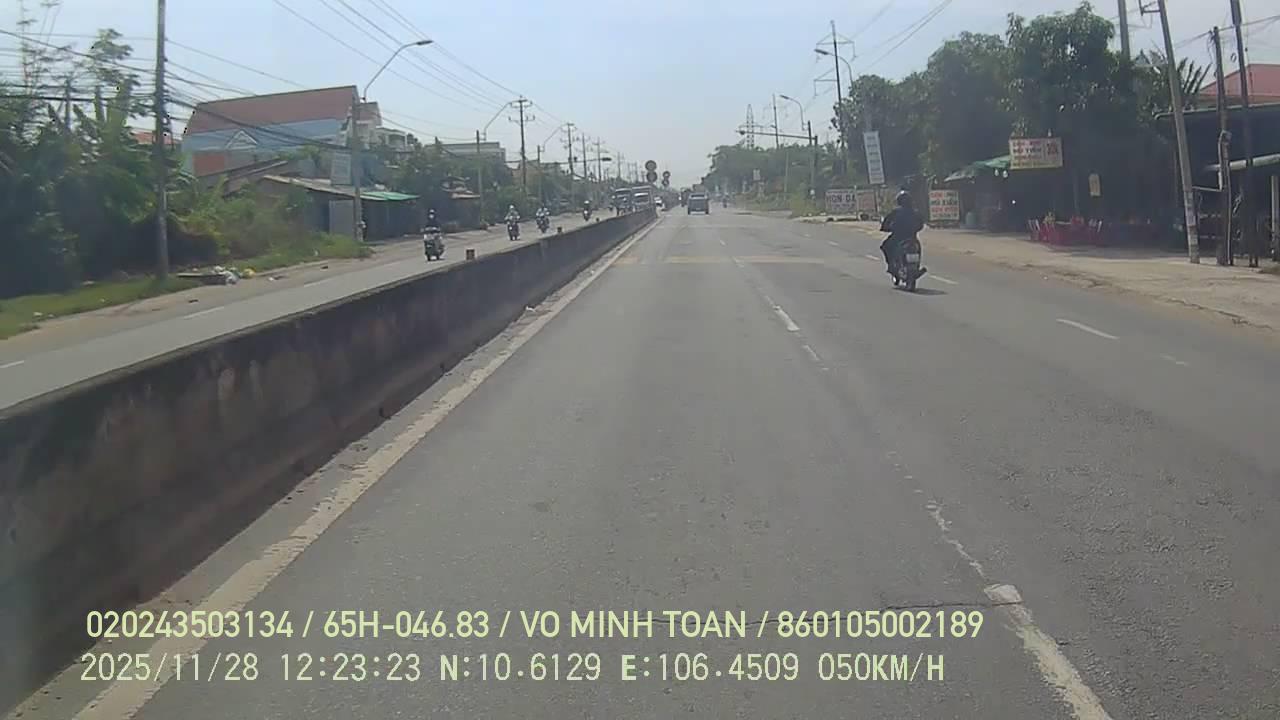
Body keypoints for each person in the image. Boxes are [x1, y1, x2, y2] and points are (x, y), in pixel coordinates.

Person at [879, 190, 926, 275]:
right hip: (912, 238)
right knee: (917, 248)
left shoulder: (896, 212)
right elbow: (921, 224)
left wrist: (885, 228)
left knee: (885, 246)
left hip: (898, 237)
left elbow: (886, 222)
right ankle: (915, 267)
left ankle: (891, 265)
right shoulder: (915, 212)